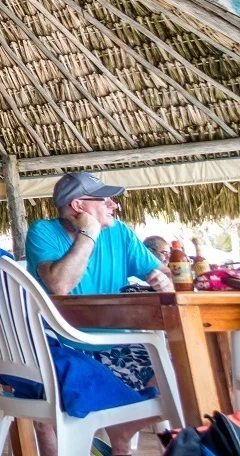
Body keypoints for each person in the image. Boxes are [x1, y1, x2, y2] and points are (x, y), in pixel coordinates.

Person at [25, 172, 173, 456]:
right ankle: (119, 432)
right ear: (78, 205)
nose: (113, 205)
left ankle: (122, 430)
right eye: (105, 199)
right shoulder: (42, 232)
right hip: (60, 345)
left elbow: (162, 271)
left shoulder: (120, 233)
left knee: (181, 366)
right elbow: (60, 284)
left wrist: (163, 278)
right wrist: (89, 233)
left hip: (114, 342)